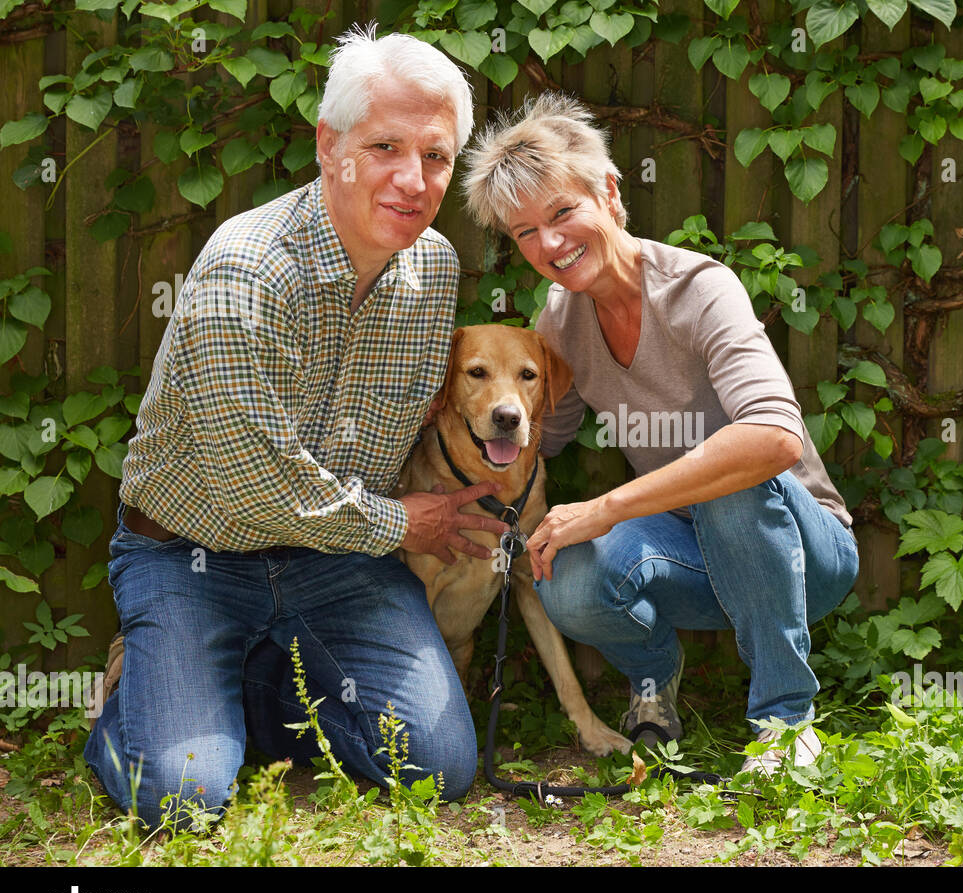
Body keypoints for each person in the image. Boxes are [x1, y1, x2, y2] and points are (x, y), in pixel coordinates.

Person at [83, 24, 507, 829]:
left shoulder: (437, 268)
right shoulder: (246, 270)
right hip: (193, 552)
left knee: (440, 767)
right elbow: (253, 489)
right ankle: (143, 692)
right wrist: (401, 522)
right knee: (182, 795)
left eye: (437, 156)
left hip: (337, 564)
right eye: (386, 146)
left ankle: (236, 682)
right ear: (329, 145)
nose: (414, 179)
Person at [461, 93, 860, 776]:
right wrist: (457, 478)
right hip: (690, 554)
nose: (550, 244)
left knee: (732, 477)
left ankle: (785, 722)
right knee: (563, 572)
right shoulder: (561, 322)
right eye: (525, 232)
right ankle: (653, 686)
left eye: (562, 213)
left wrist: (609, 507)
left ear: (609, 193)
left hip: (800, 554)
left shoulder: (702, 290)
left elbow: (774, 441)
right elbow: (539, 439)